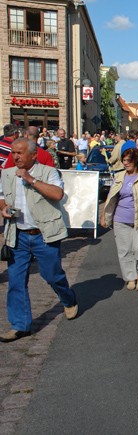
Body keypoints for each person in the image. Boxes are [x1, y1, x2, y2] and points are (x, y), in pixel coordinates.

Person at [0, 138, 78, 342]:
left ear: (33, 155)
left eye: (20, 153)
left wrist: (30, 180)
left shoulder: (48, 172)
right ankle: (20, 325)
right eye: (13, 153)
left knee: (52, 275)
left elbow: (58, 194)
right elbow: (1, 197)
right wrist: (4, 209)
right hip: (17, 234)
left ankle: (68, 298)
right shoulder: (7, 174)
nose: (15, 157)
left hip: (44, 234)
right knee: (16, 281)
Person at [100, 148, 138, 291]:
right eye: (124, 160)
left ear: (136, 161)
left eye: (128, 160)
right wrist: (104, 215)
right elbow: (111, 198)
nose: (125, 163)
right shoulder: (119, 176)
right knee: (124, 250)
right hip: (121, 219)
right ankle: (130, 277)